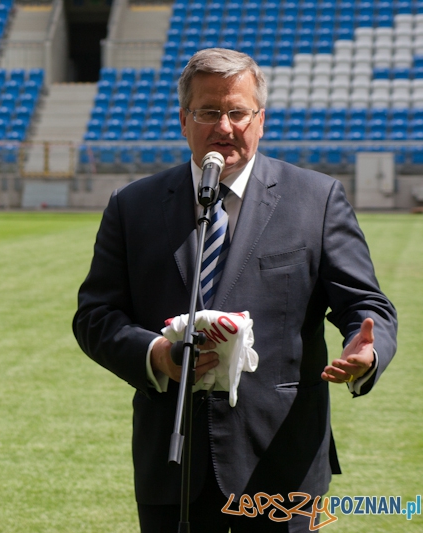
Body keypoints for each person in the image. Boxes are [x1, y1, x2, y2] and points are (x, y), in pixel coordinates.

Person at [72, 48, 397, 532]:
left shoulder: (316, 199)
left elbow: (366, 306)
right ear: (184, 120)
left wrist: (365, 354)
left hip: (282, 464)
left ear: (260, 119)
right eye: (208, 112)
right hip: (173, 463)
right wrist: (157, 354)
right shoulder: (132, 206)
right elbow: (95, 317)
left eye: (237, 112)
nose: (224, 127)